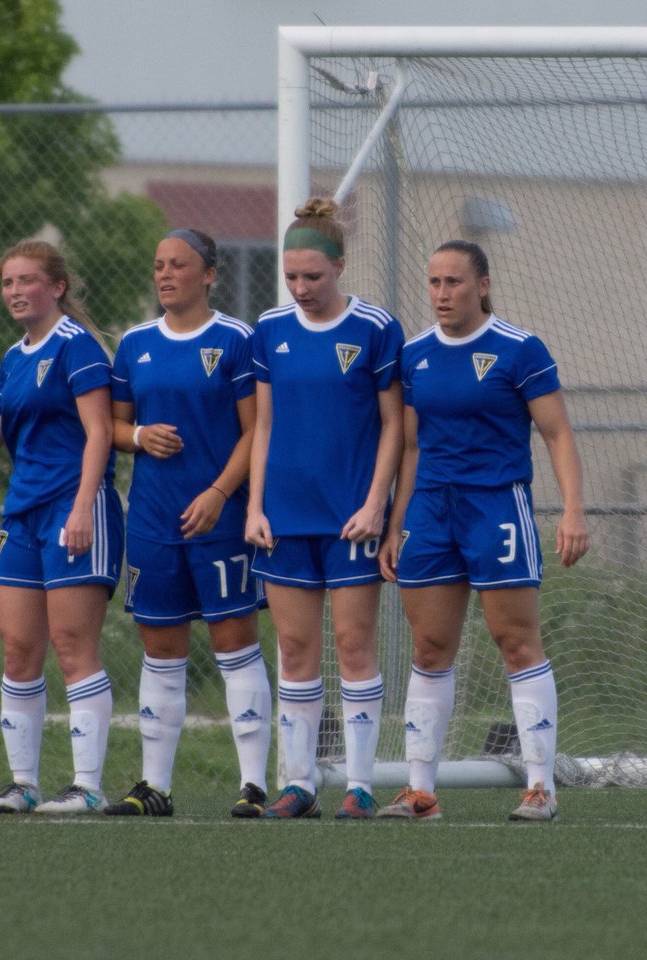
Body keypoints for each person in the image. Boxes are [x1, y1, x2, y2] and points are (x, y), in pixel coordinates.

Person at [376, 240, 590, 822]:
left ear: (483, 285)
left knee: (516, 643)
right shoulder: (416, 354)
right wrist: (396, 524)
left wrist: (573, 509)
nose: (442, 294)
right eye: (435, 283)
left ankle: (540, 787)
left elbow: (558, 434)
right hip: (430, 512)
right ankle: (421, 793)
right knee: (429, 648)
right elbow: (413, 446)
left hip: (497, 506)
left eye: (454, 282)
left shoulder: (520, 350)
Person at [0, 239, 124, 814]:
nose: (15, 291)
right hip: (23, 513)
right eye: (8, 282)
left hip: (74, 508)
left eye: (27, 280)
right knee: (17, 649)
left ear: (55, 286)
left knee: (71, 645)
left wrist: (84, 505)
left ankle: (87, 787)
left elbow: (100, 434)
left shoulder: (77, 348)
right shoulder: (15, 357)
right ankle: (23, 783)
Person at [245, 198, 405, 819]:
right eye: (291, 276)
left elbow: (395, 427)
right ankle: (300, 782)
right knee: (294, 647)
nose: (301, 288)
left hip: (351, 518)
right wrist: (255, 507)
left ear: (340, 265)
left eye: (313, 276)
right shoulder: (269, 329)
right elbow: (263, 425)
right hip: (284, 515)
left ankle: (360, 784)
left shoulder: (375, 328)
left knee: (355, 643)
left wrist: (375, 505)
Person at [104, 228, 271, 818]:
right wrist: (140, 436)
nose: (165, 274)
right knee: (162, 650)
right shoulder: (134, 344)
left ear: (209, 274)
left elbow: (257, 430)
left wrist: (221, 491)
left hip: (218, 517)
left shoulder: (235, 339)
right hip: (152, 517)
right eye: (158, 265)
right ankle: (155, 787)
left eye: (178, 264)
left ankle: (253, 785)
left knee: (234, 645)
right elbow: (114, 429)